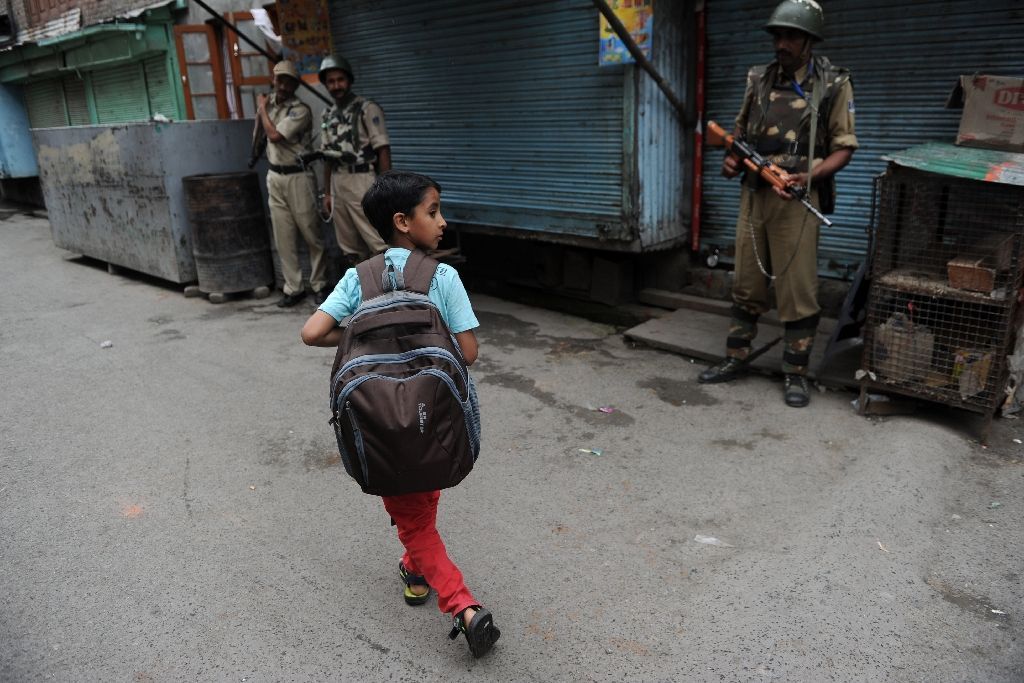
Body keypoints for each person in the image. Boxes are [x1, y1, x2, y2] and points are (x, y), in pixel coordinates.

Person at [300, 171, 501, 659]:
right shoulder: (442, 277)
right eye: (433, 211)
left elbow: (312, 332)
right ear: (402, 222)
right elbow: (468, 353)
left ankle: (415, 573)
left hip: (383, 425)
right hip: (435, 420)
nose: (442, 220)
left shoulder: (358, 279)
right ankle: (464, 607)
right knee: (420, 510)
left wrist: (364, 338)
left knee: (413, 510)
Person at [697, 0, 857, 407]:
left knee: (797, 288)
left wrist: (808, 176)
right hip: (754, 194)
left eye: (791, 36)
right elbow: (735, 136)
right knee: (747, 281)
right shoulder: (759, 79)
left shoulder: (833, 83)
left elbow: (844, 148)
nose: (781, 44)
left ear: (809, 40)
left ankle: (795, 374)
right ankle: (735, 359)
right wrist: (731, 161)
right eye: (778, 36)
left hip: (798, 198)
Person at [256, 60, 329, 307]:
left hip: (298, 176)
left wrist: (261, 109)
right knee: (283, 236)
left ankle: (319, 284)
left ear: (296, 85)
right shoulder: (272, 107)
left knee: (310, 233)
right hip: (275, 176)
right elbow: (260, 136)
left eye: (289, 82)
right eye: (280, 80)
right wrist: (263, 112)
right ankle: (293, 287)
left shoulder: (300, 110)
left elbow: (275, 136)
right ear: (273, 80)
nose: (284, 86)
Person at [317, 55, 391, 267]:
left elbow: (383, 148)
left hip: (362, 180)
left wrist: (384, 187)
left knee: (377, 239)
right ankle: (365, 293)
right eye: (331, 81)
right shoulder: (327, 114)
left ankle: (392, 293)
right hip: (339, 181)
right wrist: (327, 193)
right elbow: (327, 157)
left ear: (349, 80)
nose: (336, 85)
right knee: (349, 246)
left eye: (340, 79)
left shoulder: (367, 108)